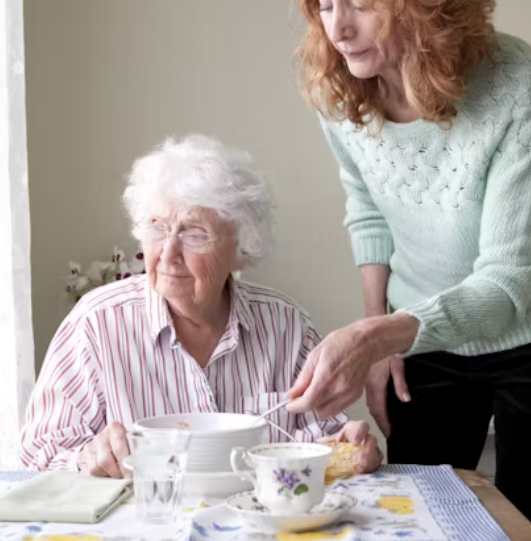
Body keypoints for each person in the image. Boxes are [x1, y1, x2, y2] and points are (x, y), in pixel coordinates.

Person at [284, 0, 531, 539]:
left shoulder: (517, 82)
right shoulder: (338, 92)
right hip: (420, 337)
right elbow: (367, 207)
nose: (338, 29)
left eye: (361, 1)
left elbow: (509, 281)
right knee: (419, 515)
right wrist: (380, 336)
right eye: (323, 2)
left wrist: (379, 337)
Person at [19, 134, 382, 478]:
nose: (168, 254)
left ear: (241, 248)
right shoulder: (96, 324)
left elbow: (319, 443)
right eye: (158, 228)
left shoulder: (286, 325)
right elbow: (37, 454)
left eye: (195, 234)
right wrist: (86, 457)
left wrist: (347, 448)